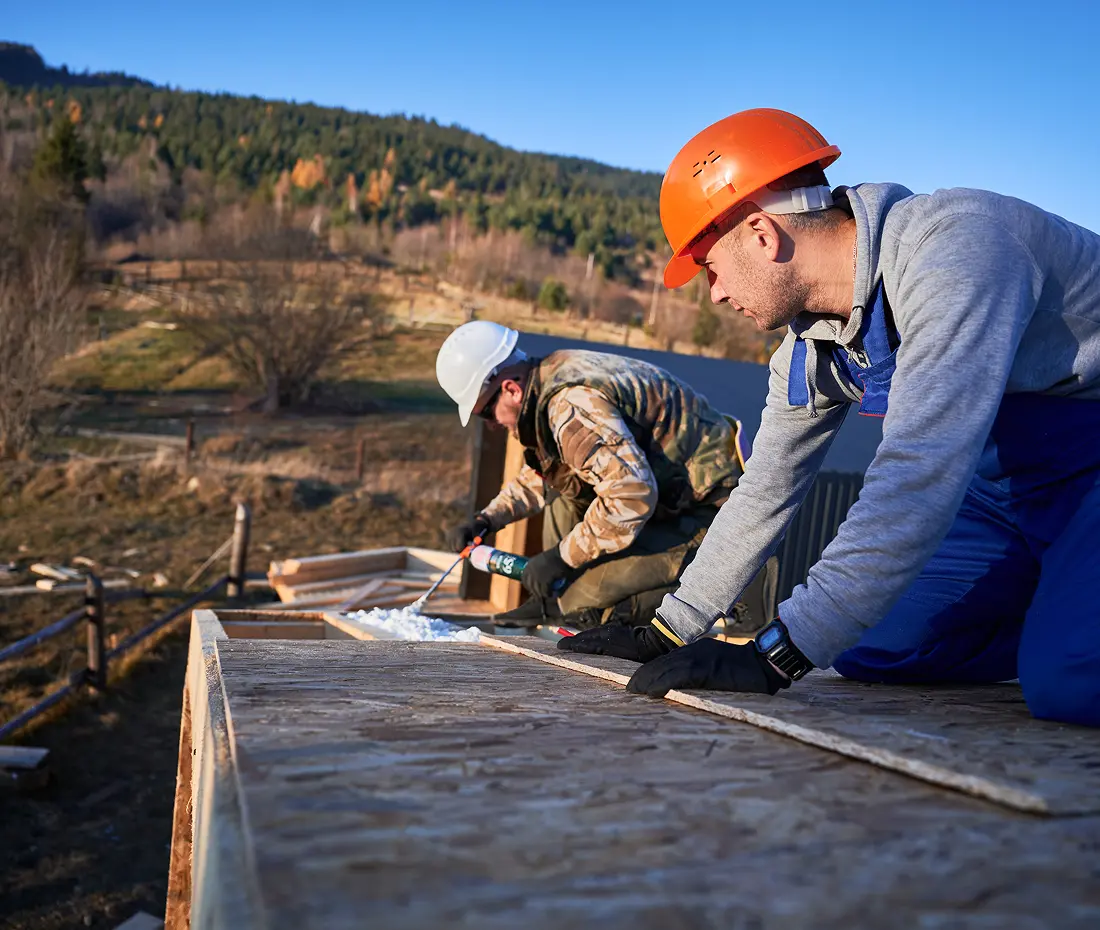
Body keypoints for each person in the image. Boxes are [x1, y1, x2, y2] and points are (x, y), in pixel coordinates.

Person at [561, 107, 1100, 728]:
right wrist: (670, 628)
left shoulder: (957, 248)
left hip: (1086, 464)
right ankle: (1067, 600)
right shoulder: (812, 348)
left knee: (1069, 682)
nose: (713, 294)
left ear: (763, 234)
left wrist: (776, 659)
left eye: (710, 268)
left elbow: (917, 480)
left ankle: (1067, 631)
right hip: (1003, 486)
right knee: (870, 646)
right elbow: (765, 490)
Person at [436, 321, 774, 628]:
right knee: (563, 508)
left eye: (485, 413)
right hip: (665, 499)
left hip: (711, 513)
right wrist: (488, 520)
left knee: (582, 607)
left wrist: (561, 559)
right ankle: (559, 597)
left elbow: (631, 495)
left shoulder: (570, 407)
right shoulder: (550, 376)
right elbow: (547, 471)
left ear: (511, 389)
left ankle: (736, 590)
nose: (493, 425)